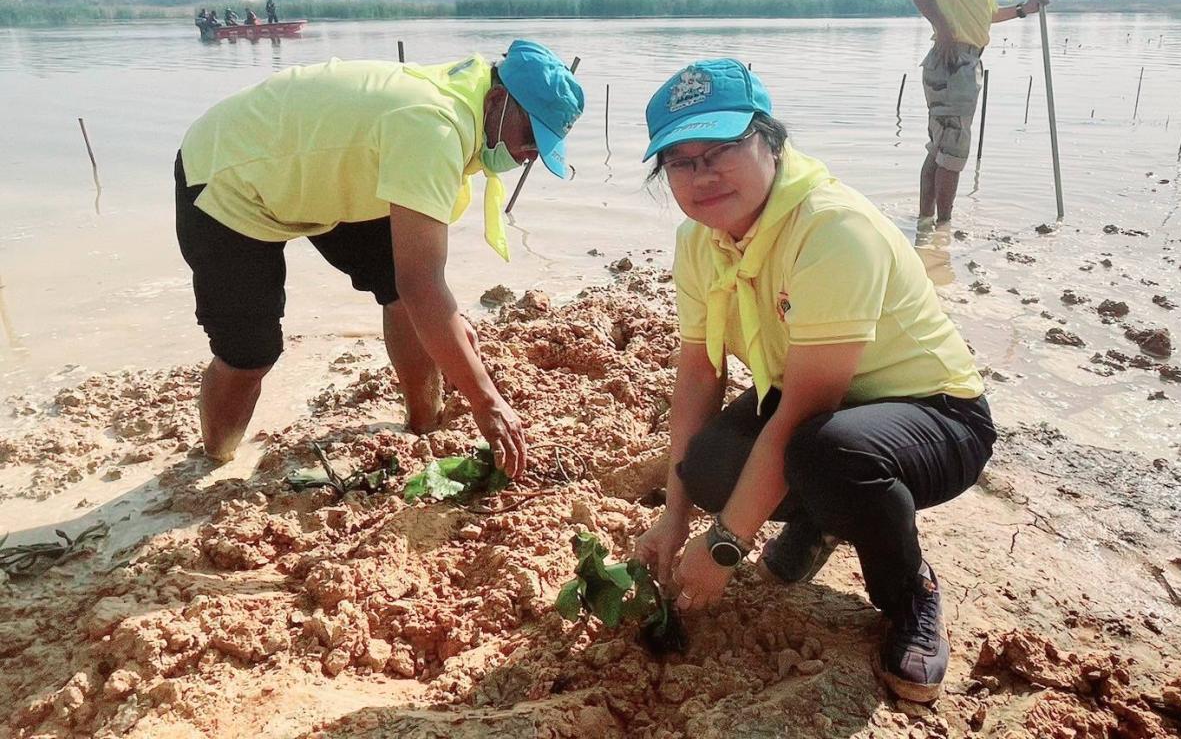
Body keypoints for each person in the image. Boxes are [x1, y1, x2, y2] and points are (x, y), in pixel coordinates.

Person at [632, 60, 994, 702]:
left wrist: (723, 546)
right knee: (708, 462)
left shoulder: (831, 228)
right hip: (818, 407)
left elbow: (803, 411)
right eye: (680, 162)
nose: (703, 175)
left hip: (936, 416)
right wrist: (675, 516)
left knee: (827, 453)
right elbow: (699, 372)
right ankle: (827, 517)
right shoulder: (700, 240)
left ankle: (911, 593)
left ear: (770, 141)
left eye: (721, 150)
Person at [175, 41, 585, 477]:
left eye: (542, 148)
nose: (529, 157)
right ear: (499, 101)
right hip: (230, 173)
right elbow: (423, 284)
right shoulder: (434, 126)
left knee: (405, 297)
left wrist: (444, 322)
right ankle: (212, 461)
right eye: (529, 138)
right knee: (249, 353)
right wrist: (488, 402)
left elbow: (417, 286)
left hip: (320, 168)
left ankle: (424, 427)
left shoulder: (468, 100)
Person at [905, 0, 1050, 228]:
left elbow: (982, 15)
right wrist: (943, 30)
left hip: (964, 58)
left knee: (942, 148)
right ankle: (943, 227)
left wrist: (1023, 9)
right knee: (952, 152)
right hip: (954, 61)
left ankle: (927, 228)